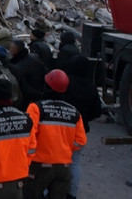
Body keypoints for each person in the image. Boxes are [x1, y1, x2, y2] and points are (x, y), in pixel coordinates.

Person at [24, 70, 87, 199]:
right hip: (63, 168)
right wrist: (63, 148)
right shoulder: (74, 112)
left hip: (39, 166)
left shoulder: (36, 108)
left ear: (46, 86)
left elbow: (27, 136)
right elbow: (80, 142)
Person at [63, 54, 103, 198]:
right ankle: (72, 193)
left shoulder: (66, 84)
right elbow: (97, 111)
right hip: (80, 131)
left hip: (61, 130)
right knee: (75, 163)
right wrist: (83, 119)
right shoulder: (91, 87)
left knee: (56, 162)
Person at [9, 39, 48, 109]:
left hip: (27, 100)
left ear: (16, 50)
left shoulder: (18, 67)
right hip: (39, 94)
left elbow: (23, 87)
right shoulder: (35, 57)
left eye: (10, 48)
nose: (9, 50)